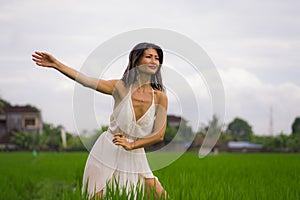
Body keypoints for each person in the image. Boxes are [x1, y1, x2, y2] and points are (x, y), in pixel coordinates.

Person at [32, 42, 168, 199]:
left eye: (157, 58)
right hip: (108, 148)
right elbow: (87, 81)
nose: (153, 61)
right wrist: (56, 64)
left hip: (135, 152)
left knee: (160, 195)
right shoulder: (120, 87)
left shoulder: (160, 97)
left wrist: (132, 145)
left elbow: (159, 135)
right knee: (97, 195)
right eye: (149, 57)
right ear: (136, 60)